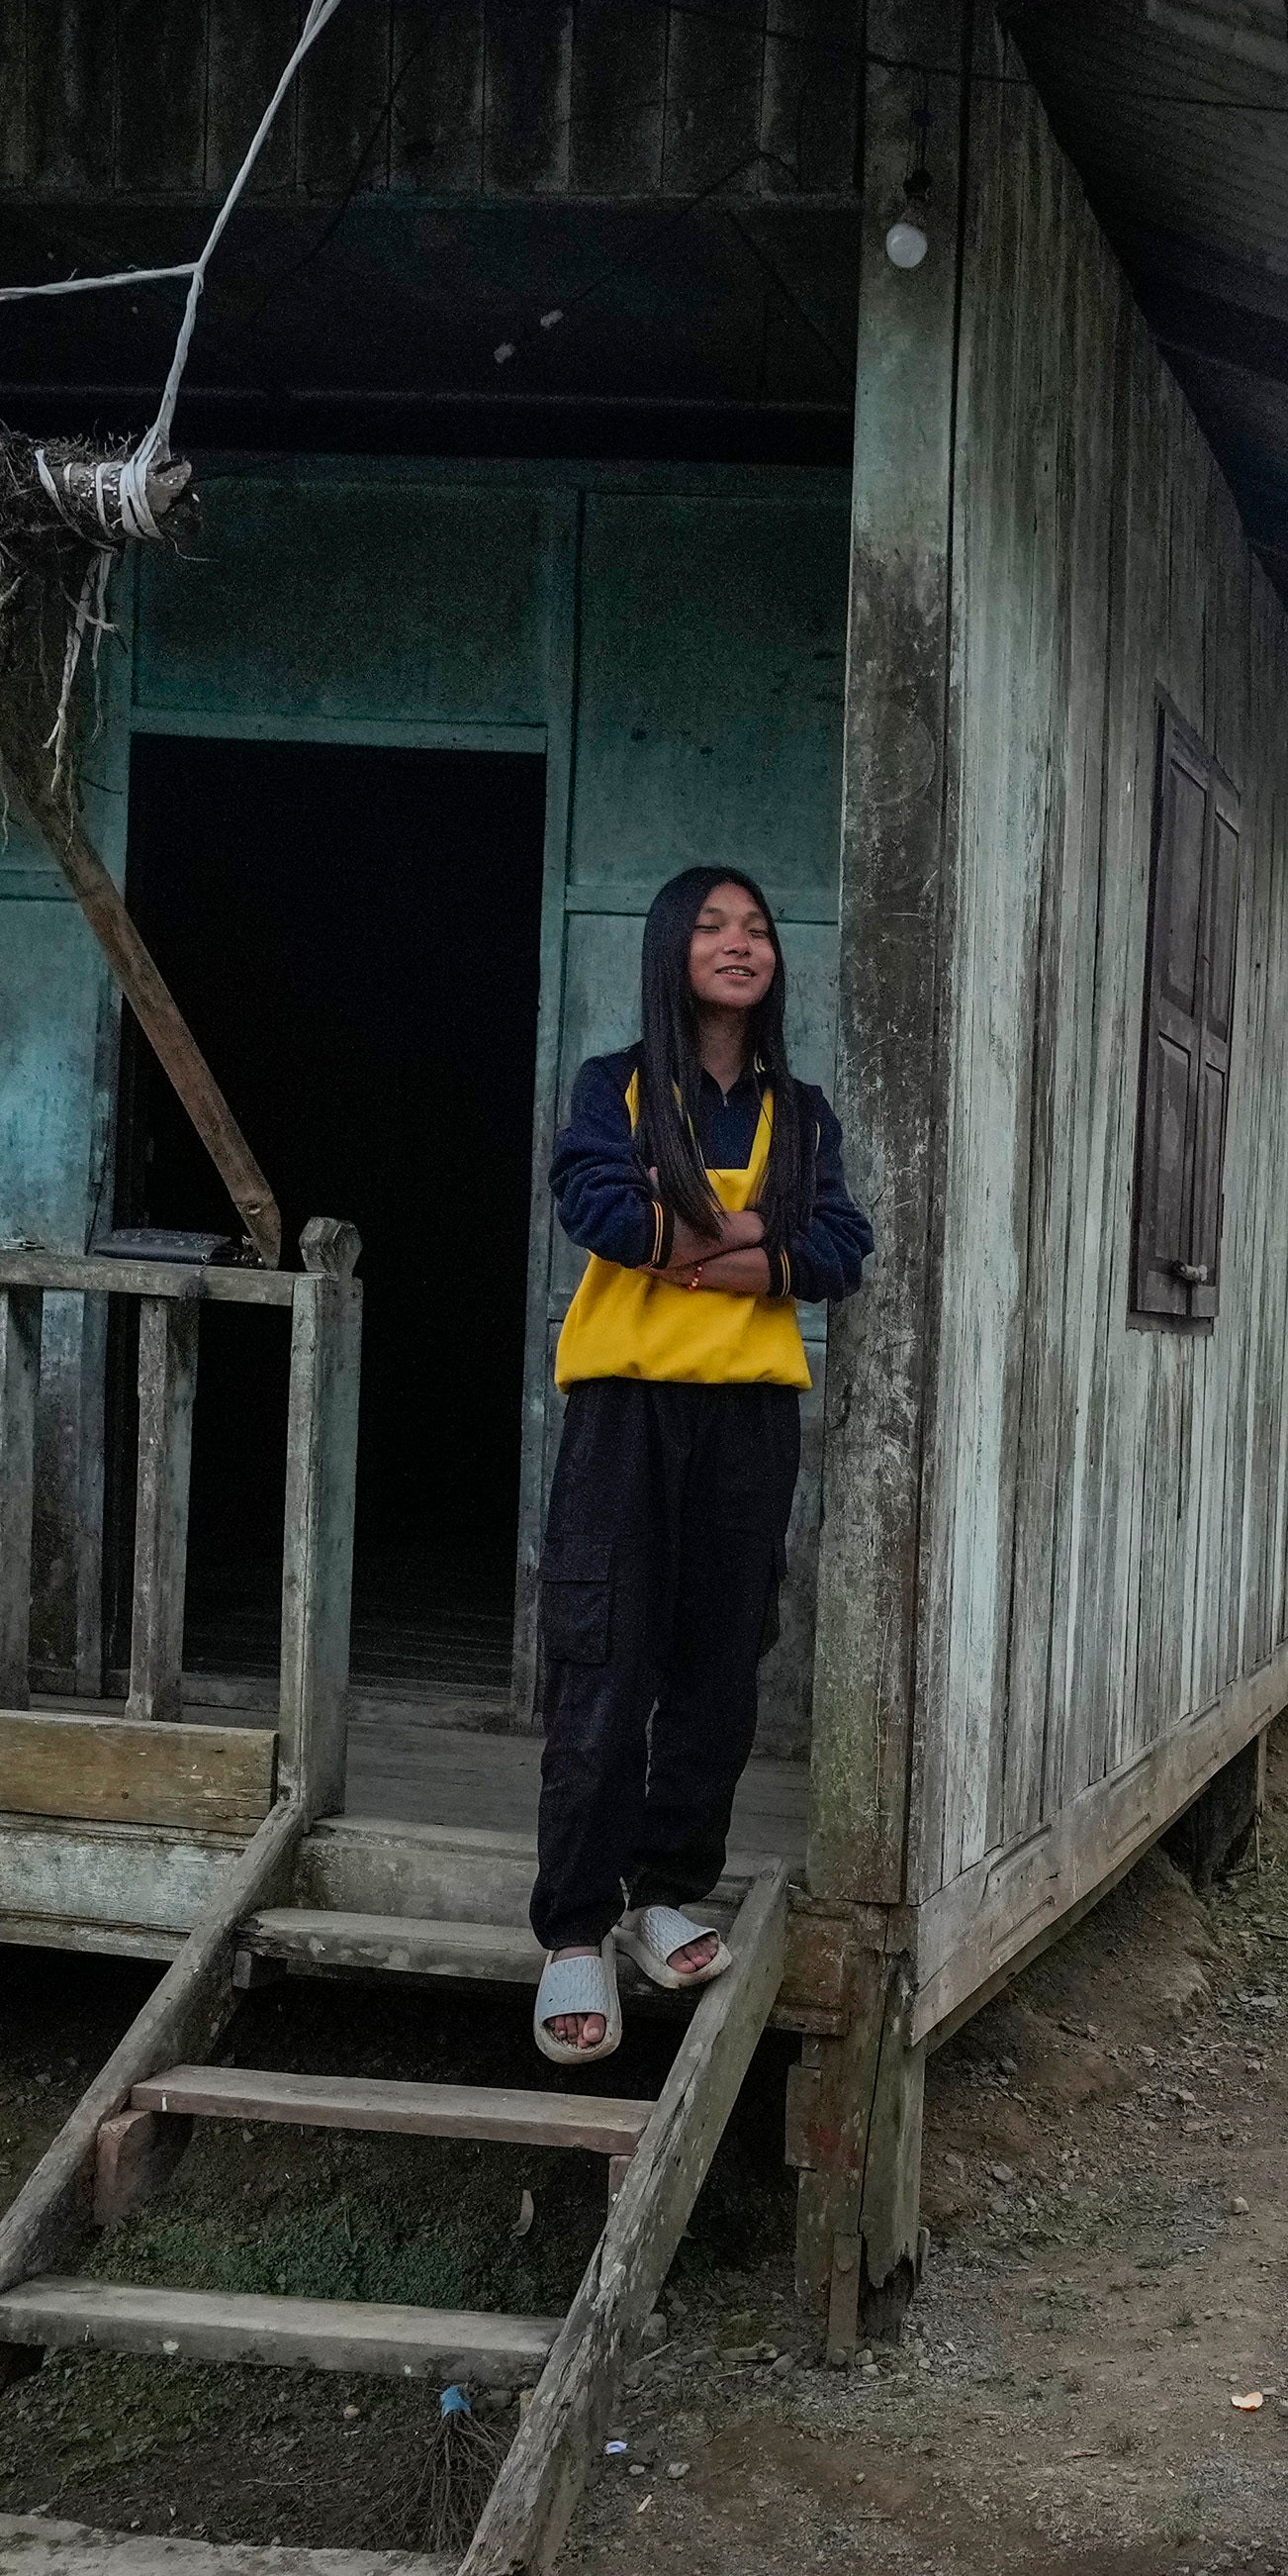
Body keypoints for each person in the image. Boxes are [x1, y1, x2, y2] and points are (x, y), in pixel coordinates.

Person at [529, 865, 870, 2067]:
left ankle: (667, 1890)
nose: (741, 943)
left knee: (719, 1666)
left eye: (759, 927)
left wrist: (709, 1245)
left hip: (746, 1427)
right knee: (605, 1658)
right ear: (673, 946)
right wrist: (756, 1241)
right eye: (714, 925)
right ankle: (575, 1926)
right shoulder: (613, 1087)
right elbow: (597, 1208)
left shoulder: (804, 1114)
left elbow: (840, 1247)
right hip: (625, 1413)